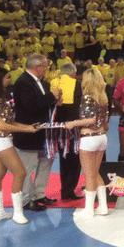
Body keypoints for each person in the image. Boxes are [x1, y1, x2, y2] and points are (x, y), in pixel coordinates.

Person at [0, 67, 38, 224]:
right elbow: (2, 125)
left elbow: (9, 122)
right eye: (7, 77)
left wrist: (27, 127)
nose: (9, 80)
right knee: (20, 173)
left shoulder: (0, 97)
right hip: (0, 139)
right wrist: (25, 129)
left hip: (1, 139)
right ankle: (17, 213)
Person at [13, 54, 61, 211]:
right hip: (29, 133)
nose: (47, 69)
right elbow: (31, 106)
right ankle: (27, 199)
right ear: (38, 67)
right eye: (45, 66)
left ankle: (39, 194)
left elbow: (44, 103)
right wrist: (51, 96)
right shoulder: (22, 83)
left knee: (46, 163)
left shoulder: (41, 82)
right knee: (28, 168)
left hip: (44, 133)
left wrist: (54, 100)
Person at [65, 68, 110, 217]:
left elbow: (92, 120)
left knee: (89, 175)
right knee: (96, 174)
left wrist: (74, 123)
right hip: (102, 137)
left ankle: (89, 209)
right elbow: (105, 122)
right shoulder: (103, 98)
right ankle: (103, 207)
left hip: (89, 138)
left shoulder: (87, 98)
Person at [50, 63, 83, 200]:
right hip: (74, 126)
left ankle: (65, 188)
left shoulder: (53, 82)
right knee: (75, 158)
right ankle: (69, 190)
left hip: (58, 126)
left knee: (64, 157)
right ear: (73, 74)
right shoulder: (78, 84)